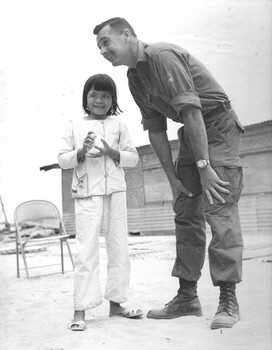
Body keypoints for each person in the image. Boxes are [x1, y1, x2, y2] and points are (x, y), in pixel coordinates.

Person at [93, 18, 244, 330]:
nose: (103, 51)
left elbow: (192, 110)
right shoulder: (135, 78)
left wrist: (204, 166)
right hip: (192, 133)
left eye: (106, 42)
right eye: (99, 47)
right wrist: (173, 180)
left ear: (127, 34)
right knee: (185, 208)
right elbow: (157, 131)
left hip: (217, 127)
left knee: (218, 206)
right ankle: (187, 296)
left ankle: (228, 299)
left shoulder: (162, 56)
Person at [58, 73, 142, 331]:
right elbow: (63, 159)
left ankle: (116, 305)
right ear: (86, 97)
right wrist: (81, 152)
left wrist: (111, 152)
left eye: (106, 96)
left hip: (116, 192)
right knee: (86, 252)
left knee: (119, 248)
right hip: (87, 194)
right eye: (94, 94)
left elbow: (133, 158)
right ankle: (80, 309)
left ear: (112, 100)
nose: (99, 100)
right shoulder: (74, 124)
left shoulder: (119, 126)